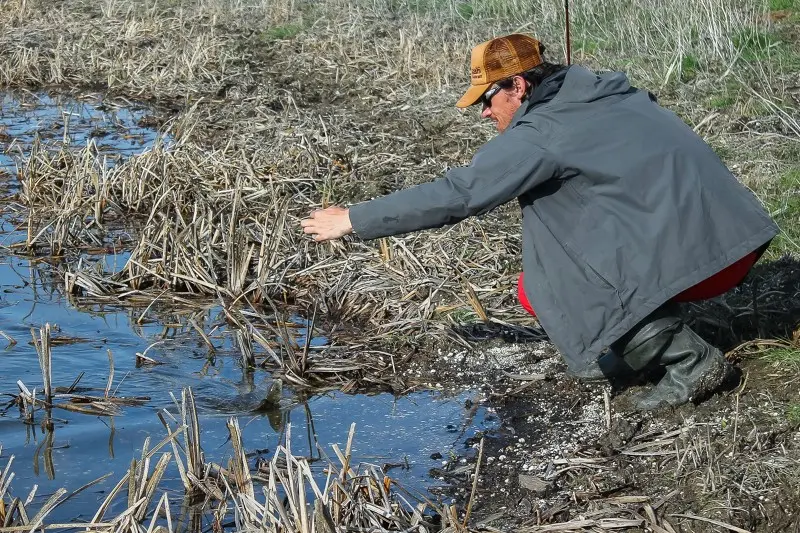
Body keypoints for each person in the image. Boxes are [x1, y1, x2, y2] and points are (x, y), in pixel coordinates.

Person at [300, 33, 778, 410]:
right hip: (735, 240)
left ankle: (691, 362)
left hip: (703, 262)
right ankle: (632, 342)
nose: (484, 110)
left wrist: (355, 218)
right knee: (563, 223)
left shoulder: (542, 132)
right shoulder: (604, 92)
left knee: (547, 278)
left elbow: (461, 194)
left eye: (488, 97)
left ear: (519, 86)